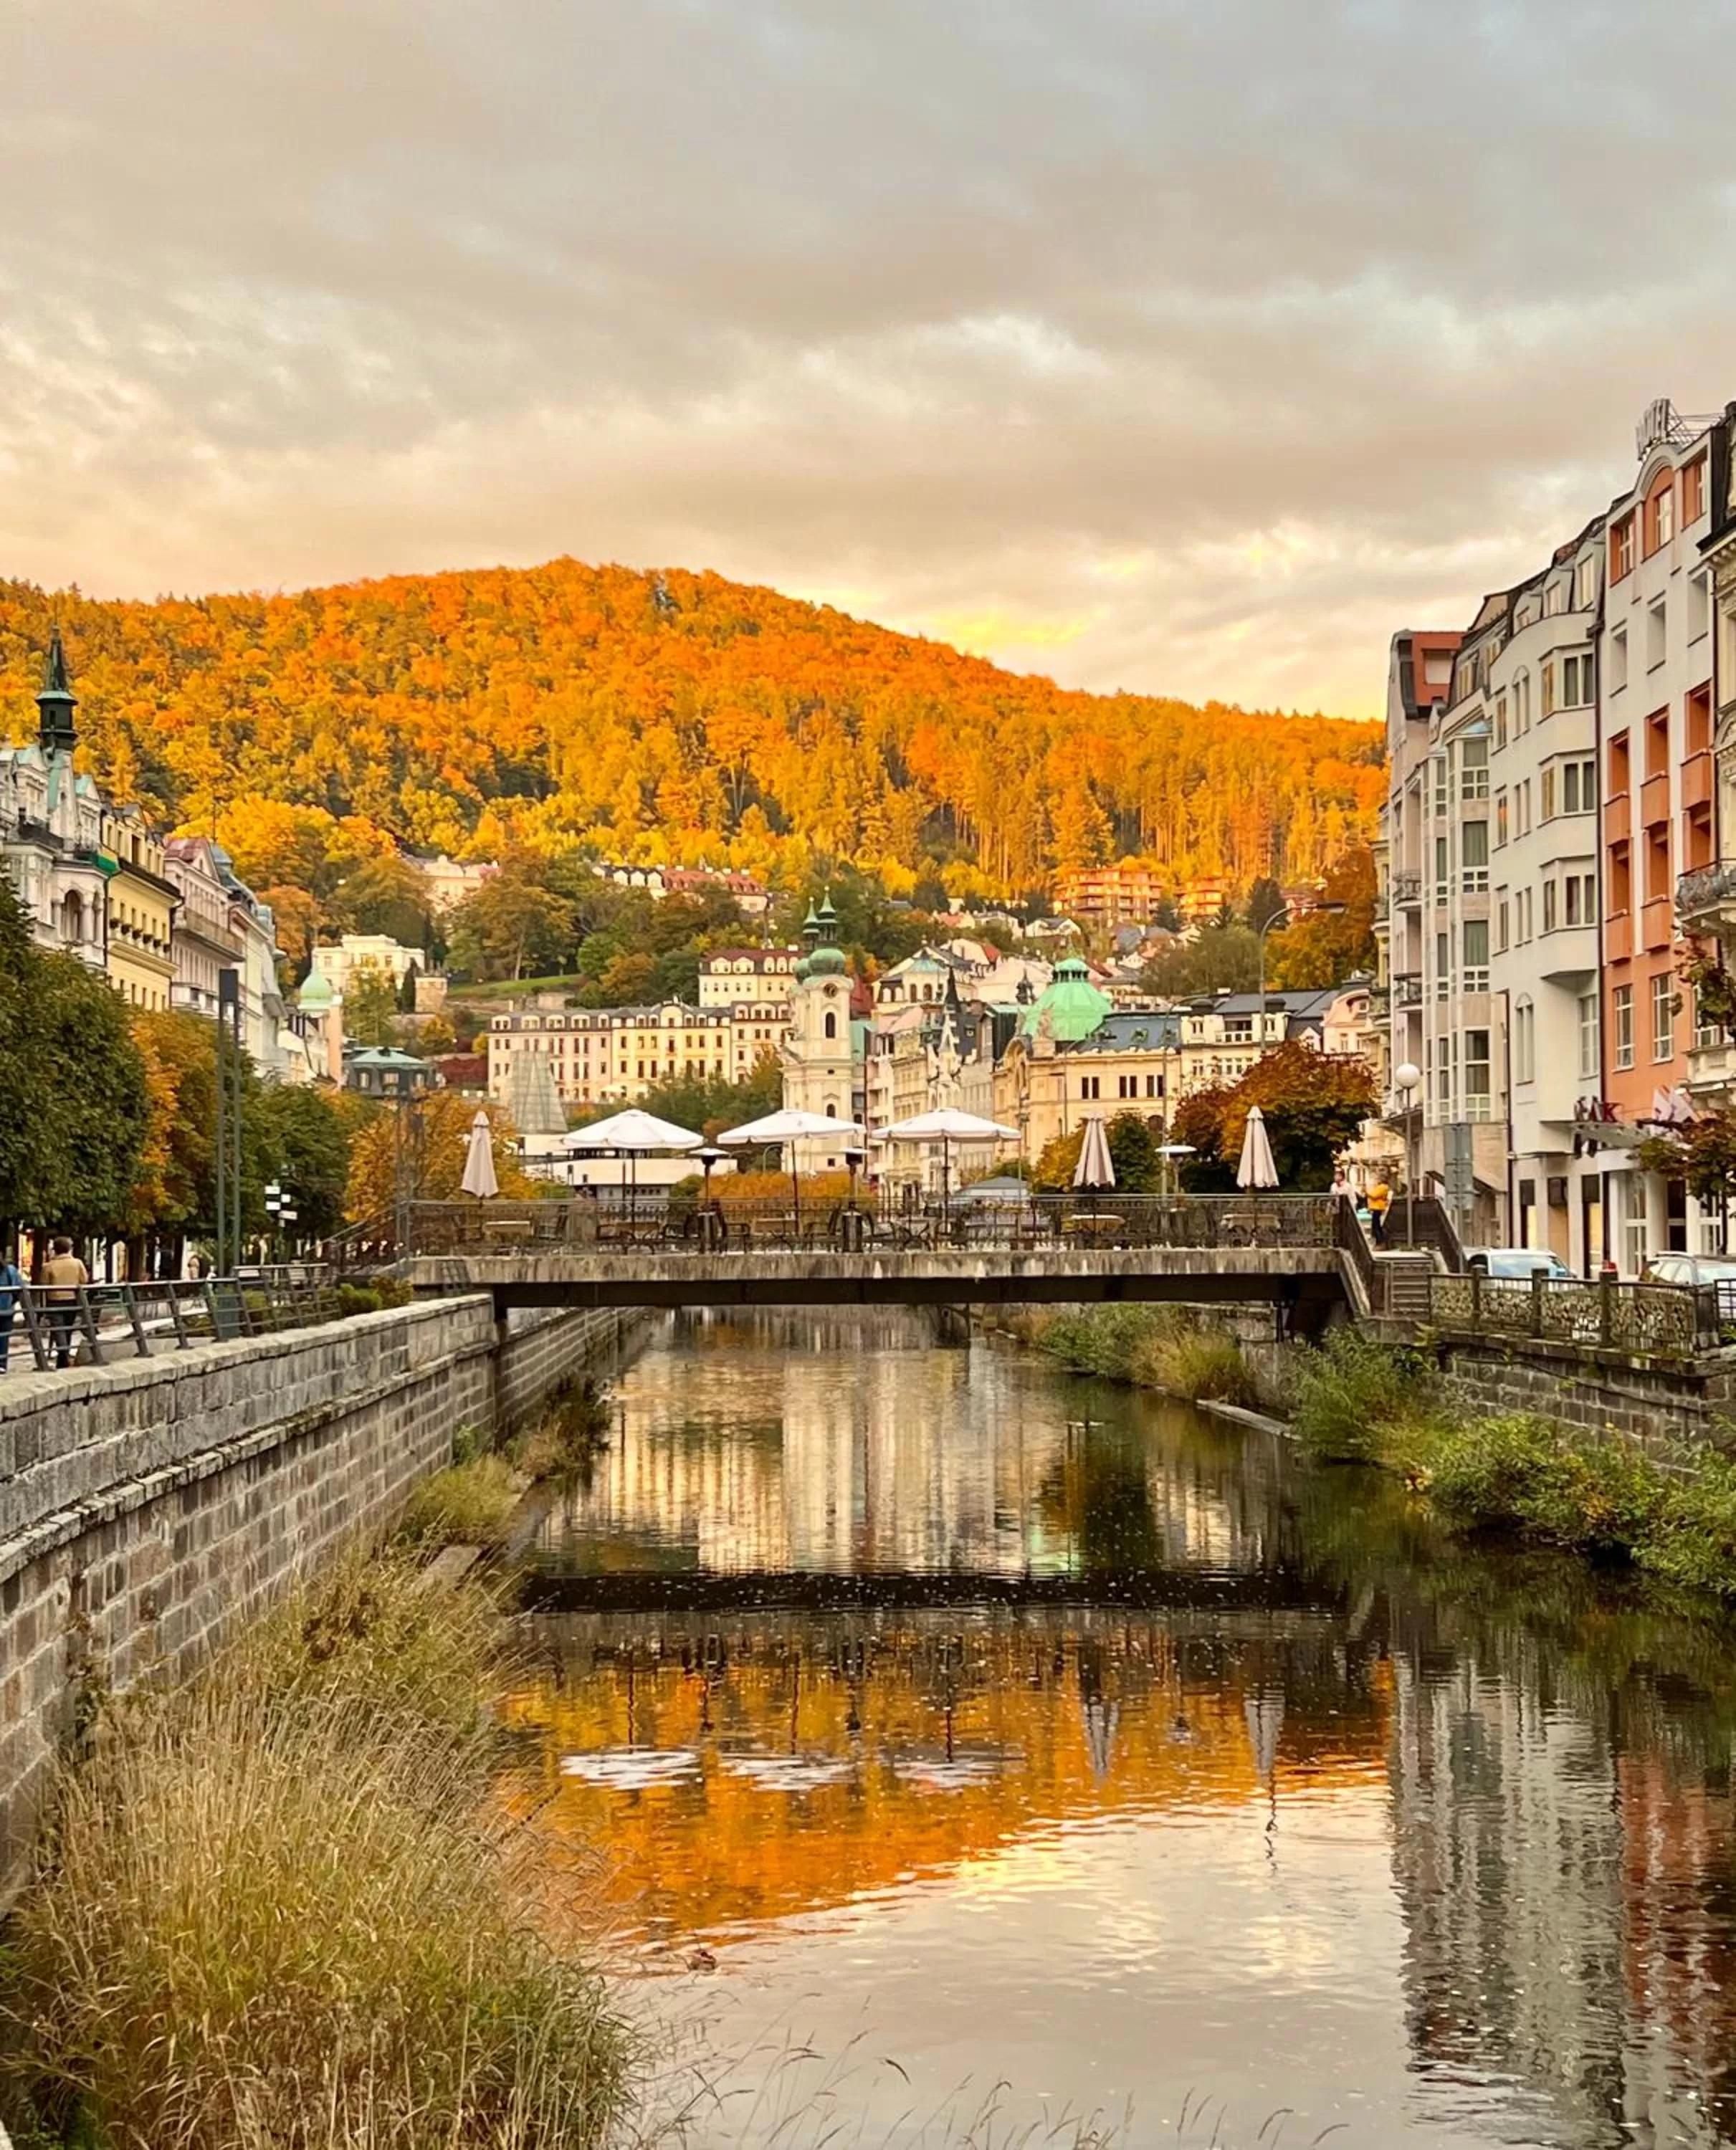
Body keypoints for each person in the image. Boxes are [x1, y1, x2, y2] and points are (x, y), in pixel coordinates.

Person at [42, 1236, 90, 1370]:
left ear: (54, 1250)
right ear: (69, 1249)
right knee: (67, 1330)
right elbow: (84, 1280)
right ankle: (63, 1359)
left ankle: (63, 1356)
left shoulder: (48, 1266)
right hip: (72, 1300)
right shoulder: (77, 1263)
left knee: (59, 1330)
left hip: (54, 1301)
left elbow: (43, 1284)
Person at [0, 1251, 24, 1372]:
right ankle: (2, 1364)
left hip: (6, 1309)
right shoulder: (10, 1270)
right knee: (3, 1338)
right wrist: (11, 1302)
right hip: (6, 1310)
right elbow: (19, 1290)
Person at [1368, 1177, 1393, 1247]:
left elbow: (1374, 1195)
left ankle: (1380, 1242)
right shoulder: (1383, 1187)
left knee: (1376, 1226)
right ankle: (1379, 1241)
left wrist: (1366, 1192)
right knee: (1376, 1225)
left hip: (1377, 1207)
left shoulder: (1382, 1187)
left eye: (1377, 1179)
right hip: (1377, 1207)